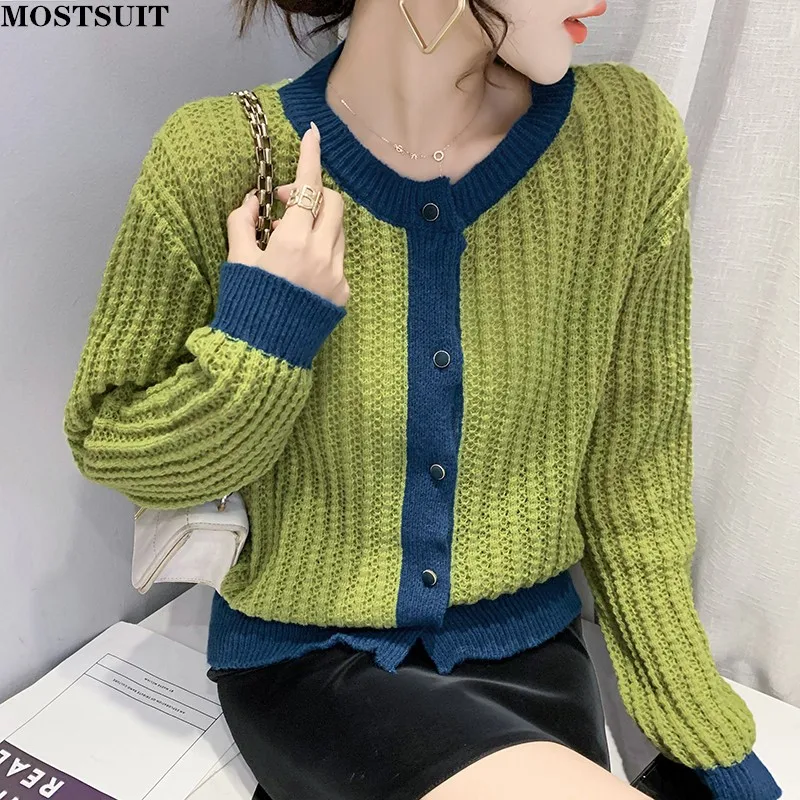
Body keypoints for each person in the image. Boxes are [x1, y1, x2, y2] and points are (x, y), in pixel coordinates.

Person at [62, 1, 783, 798]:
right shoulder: (217, 155)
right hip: (313, 660)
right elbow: (117, 447)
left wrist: (698, 728)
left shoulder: (622, 140)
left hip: (534, 656)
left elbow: (633, 468)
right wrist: (266, 334)